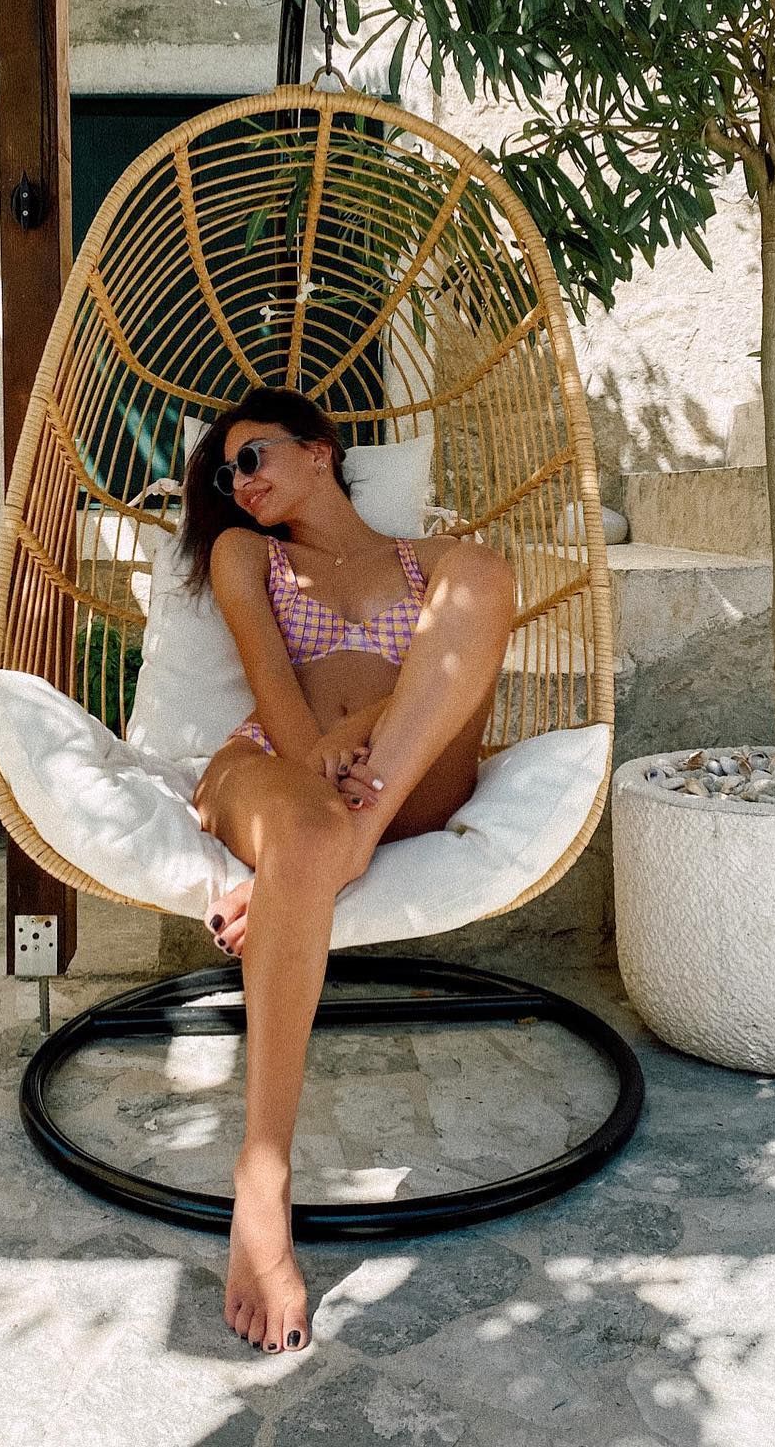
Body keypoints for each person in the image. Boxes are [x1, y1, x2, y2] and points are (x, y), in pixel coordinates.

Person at [180, 385, 515, 1356]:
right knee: (308, 832)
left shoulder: (438, 565)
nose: (237, 482)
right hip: (273, 769)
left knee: (486, 572)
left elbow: (451, 695)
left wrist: (370, 732)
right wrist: (323, 762)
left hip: (406, 782)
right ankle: (263, 1174)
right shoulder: (248, 556)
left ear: (319, 449)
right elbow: (279, 702)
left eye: (252, 457)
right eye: (224, 474)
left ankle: (328, 859)